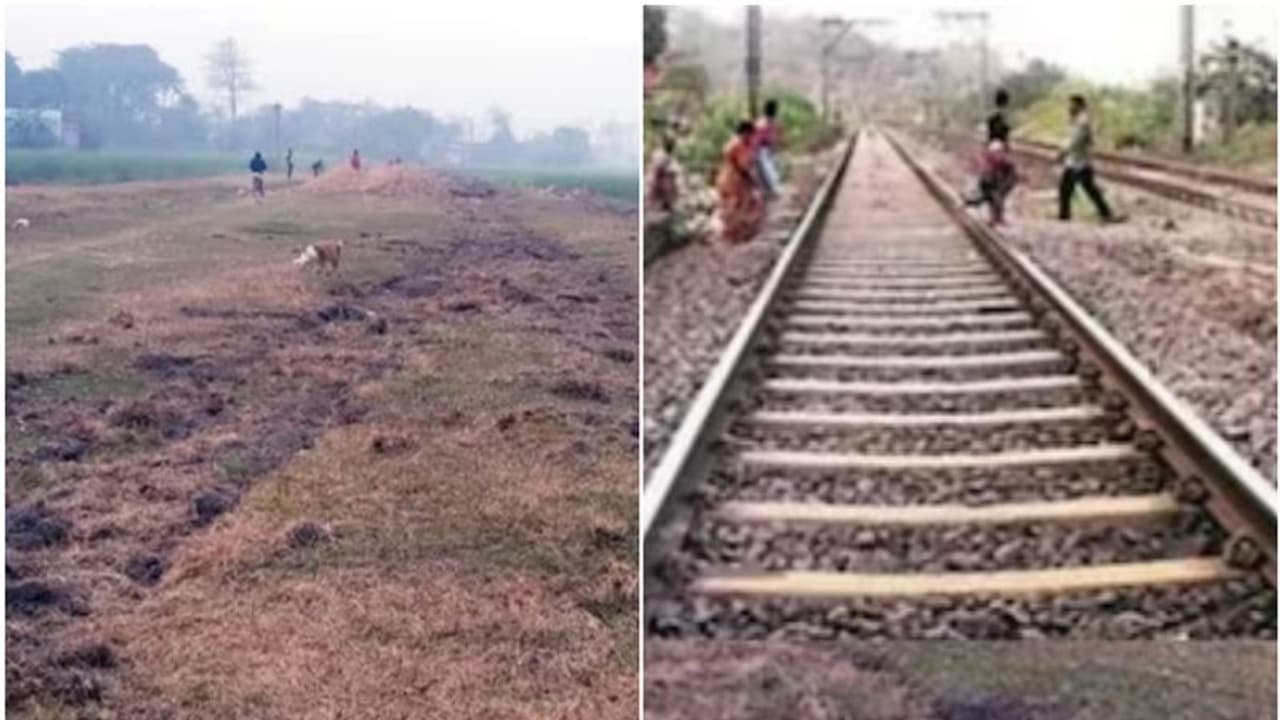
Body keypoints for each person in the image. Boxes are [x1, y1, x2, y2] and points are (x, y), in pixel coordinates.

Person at [1058, 95, 1122, 223]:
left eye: (1072, 104)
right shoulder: (1075, 120)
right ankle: (1064, 215)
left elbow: (1075, 140)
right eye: (1069, 104)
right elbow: (1071, 138)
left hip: (1081, 161)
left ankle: (1106, 214)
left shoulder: (1082, 121)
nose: (1069, 107)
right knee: (1067, 188)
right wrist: (1064, 151)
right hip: (1074, 161)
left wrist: (1063, 152)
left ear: (1079, 105)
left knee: (1088, 189)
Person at [714, 120, 765, 244]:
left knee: (730, 207)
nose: (752, 137)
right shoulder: (739, 145)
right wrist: (754, 181)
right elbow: (744, 166)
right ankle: (736, 237)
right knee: (739, 207)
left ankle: (731, 235)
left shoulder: (730, 143)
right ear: (745, 132)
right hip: (734, 181)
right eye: (751, 134)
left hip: (725, 178)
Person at [754, 98, 783, 199]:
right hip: (762, 150)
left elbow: (774, 136)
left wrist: (775, 146)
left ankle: (769, 192)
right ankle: (771, 191)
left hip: (768, 149)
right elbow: (757, 140)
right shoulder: (762, 123)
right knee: (768, 171)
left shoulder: (771, 122)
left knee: (769, 170)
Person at [648, 135, 680, 212]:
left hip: (661, 177)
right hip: (660, 178)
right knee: (667, 186)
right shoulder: (660, 154)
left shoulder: (666, 154)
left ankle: (666, 204)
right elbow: (658, 168)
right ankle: (664, 204)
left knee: (670, 184)